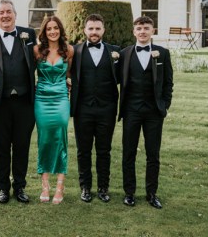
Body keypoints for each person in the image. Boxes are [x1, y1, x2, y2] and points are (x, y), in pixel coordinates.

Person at [0, 0, 37, 204]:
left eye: (8, 12)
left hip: (25, 102)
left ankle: (20, 187)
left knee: (22, 146)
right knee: (1, 146)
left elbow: (43, 59)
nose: (5, 15)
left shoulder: (29, 35)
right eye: (1, 12)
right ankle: (2, 187)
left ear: (15, 14)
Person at [118, 16, 173, 209]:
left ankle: (151, 193)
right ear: (134, 32)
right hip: (131, 110)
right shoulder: (124, 54)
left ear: (152, 31)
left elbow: (168, 82)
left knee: (153, 154)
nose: (142, 31)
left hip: (153, 112)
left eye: (146, 28)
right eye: (139, 28)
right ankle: (129, 193)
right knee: (128, 153)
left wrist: (164, 105)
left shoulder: (163, 54)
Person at [70, 14, 120, 203]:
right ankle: (85, 187)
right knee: (83, 151)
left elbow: (123, 77)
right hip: (83, 109)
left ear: (103, 30)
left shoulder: (115, 52)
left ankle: (103, 188)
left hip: (107, 109)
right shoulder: (75, 51)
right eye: (91, 28)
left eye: (98, 28)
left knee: (104, 150)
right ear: (85, 30)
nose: (94, 32)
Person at [34, 15, 73, 204]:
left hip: (61, 100)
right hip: (41, 100)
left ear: (60, 30)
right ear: (44, 31)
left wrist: (69, 83)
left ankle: (60, 185)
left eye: (55, 28)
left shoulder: (69, 51)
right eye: (49, 29)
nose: (52, 31)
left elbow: (70, 73)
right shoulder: (36, 50)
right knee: (44, 140)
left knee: (60, 138)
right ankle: (45, 185)